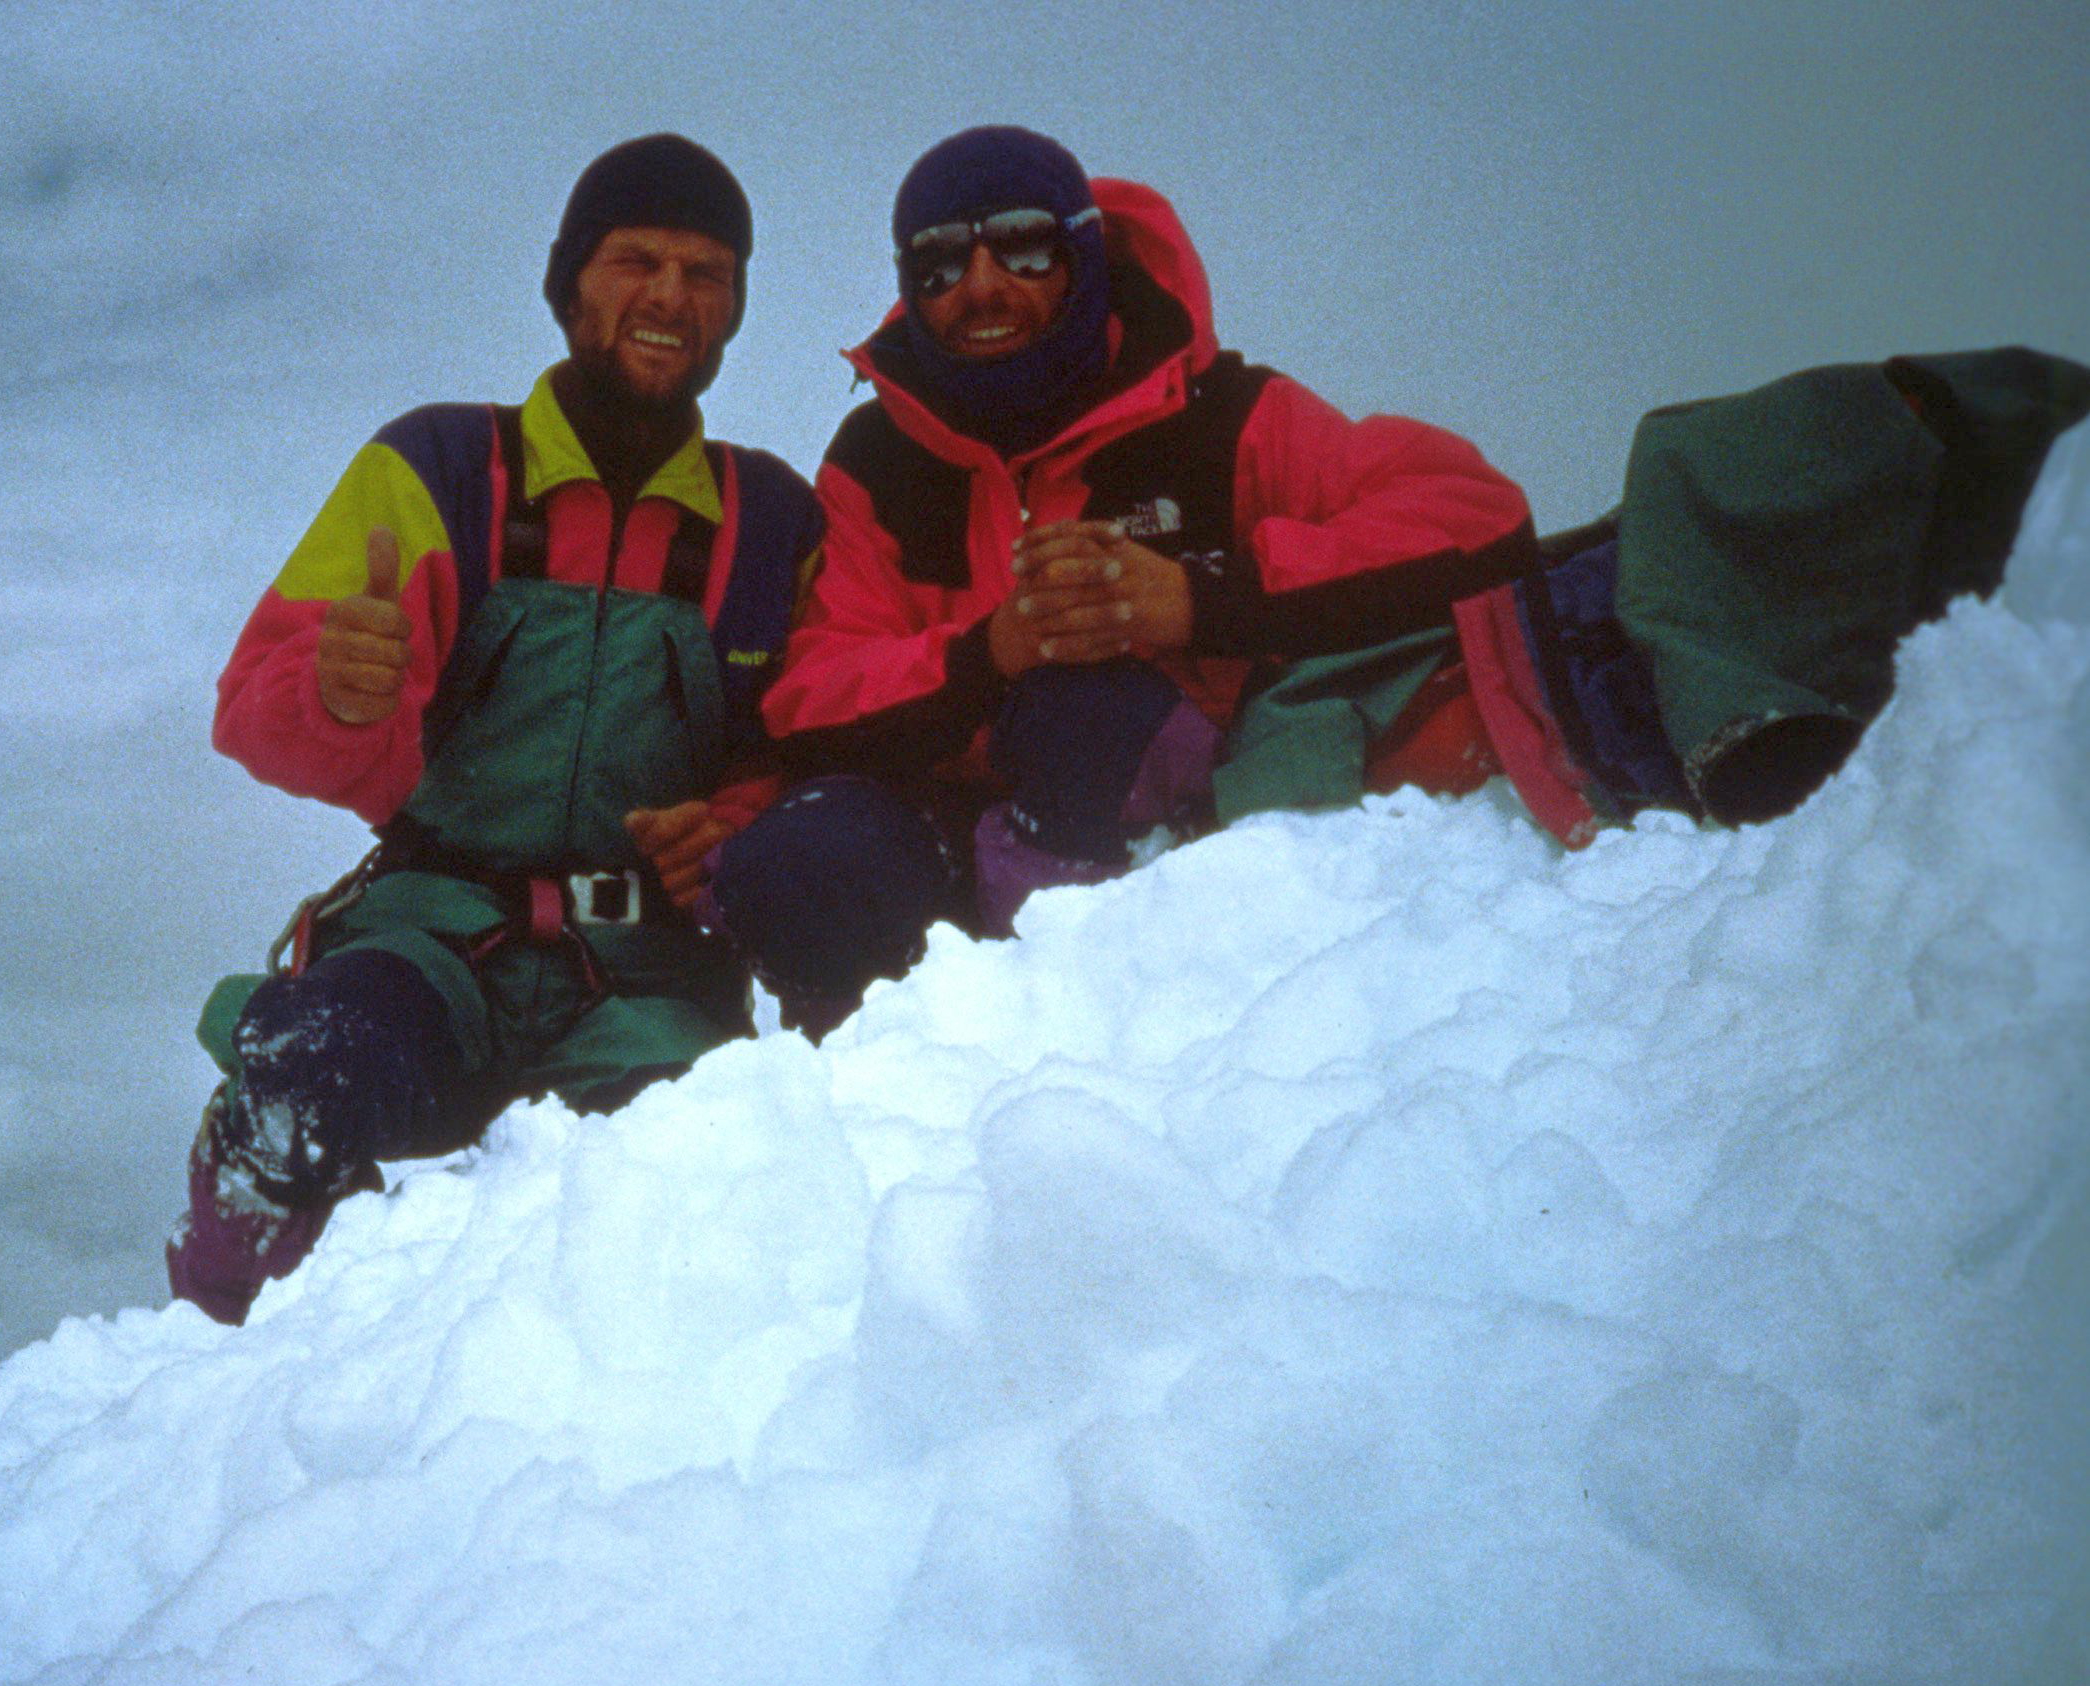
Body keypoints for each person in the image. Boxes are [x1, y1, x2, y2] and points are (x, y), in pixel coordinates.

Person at [174, 135, 823, 1324]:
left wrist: (734, 822)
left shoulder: (771, 521)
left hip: (650, 975)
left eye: (708, 271)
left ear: (733, 311)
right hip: (430, 939)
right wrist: (338, 692)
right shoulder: (438, 467)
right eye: (636, 260)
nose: (671, 296)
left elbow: (817, 741)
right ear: (571, 284)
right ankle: (203, 1345)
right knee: (306, 1085)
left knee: (685, 1217)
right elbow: (253, 712)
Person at [704, 125, 1535, 1030]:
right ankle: (892, 1093)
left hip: (1172, 802)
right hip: (951, 819)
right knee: (791, 861)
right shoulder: (880, 461)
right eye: (939, 265)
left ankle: (1115, 1021)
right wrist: (990, 653)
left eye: (1022, 245)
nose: (981, 285)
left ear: (1083, 251)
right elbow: (812, 694)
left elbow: (1472, 510)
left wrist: (1199, 598)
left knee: (1083, 710)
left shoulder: (1214, 414)